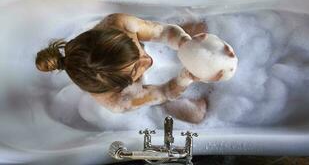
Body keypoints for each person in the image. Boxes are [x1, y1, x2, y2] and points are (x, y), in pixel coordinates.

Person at [35, 13, 207, 123]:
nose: (148, 61)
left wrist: (183, 42)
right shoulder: (117, 100)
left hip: (127, 65)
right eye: (135, 71)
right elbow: (164, 93)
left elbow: (164, 32)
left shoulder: (120, 24)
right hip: (141, 93)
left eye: (134, 48)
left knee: (200, 26)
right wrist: (185, 78)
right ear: (118, 87)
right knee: (197, 114)